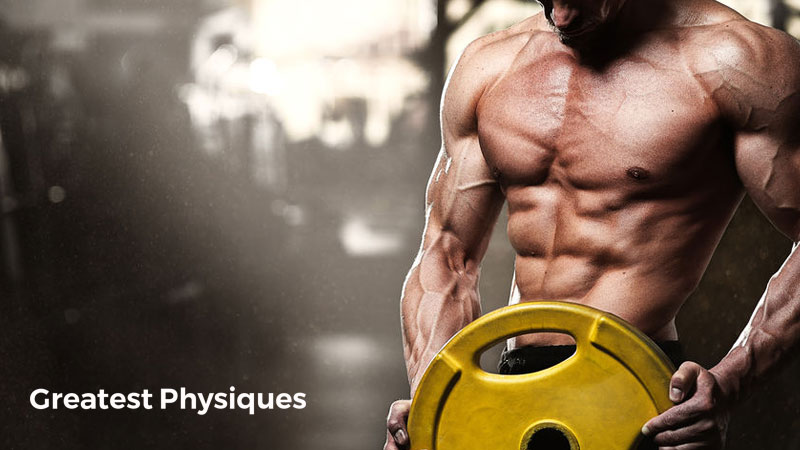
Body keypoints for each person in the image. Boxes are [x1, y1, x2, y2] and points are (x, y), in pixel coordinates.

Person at [383, 0, 800, 448]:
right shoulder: (491, 66)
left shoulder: (736, 61)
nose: (561, 19)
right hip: (506, 391)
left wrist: (732, 379)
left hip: (633, 395)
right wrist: (435, 397)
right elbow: (447, 252)